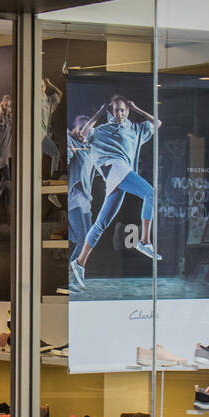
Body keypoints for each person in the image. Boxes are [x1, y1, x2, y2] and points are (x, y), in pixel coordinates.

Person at [68, 94, 160, 293]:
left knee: (100, 224)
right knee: (150, 193)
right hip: (115, 169)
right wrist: (100, 112)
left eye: (124, 110)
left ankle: (80, 262)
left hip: (119, 175)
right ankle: (144, 241)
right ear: (110, 112)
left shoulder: (135, 129)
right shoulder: (101, 130)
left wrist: (136, 108)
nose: (121, 113)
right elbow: (84, 134)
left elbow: (157, 122)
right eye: (117, 110)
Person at [65, 114, 96, 263]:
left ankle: (76, 272)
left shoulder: (89, 149)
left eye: (87, 126)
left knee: (88, 240)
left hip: (86, 197)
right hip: (74, 195)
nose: (85, 129)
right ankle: (72, 275)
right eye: (81, 126)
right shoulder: (71, 142)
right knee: (83, 238)